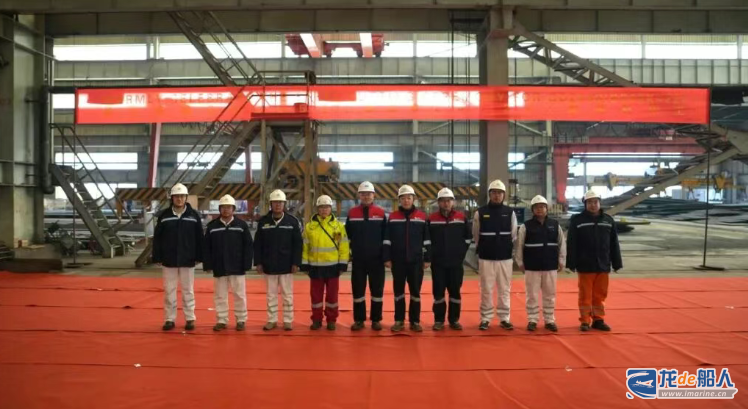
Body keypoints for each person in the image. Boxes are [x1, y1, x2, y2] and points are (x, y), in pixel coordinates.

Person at [567, 190, 623, 332]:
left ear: (599, 203)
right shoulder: (577, 220)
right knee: (585, 295)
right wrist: (571, 263)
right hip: (585, 264)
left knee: (600, 294)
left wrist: (617, 263)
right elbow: (572, 243)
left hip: (603, 264)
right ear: (585, 204)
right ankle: (585, 321)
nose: (593, 205)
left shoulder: (608, 220)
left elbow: (614, 243)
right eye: (590, 202)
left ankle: (598, 320)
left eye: (595, 202)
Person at [152, 183, 203, 331]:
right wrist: (157, 256)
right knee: (169, 290)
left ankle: (190, 318)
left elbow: (199, 238)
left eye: (182, 196)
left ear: (186, 197)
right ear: (172, 198)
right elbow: (158, 238)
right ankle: (169, 319)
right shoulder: (164, 216)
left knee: (188, 290)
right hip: (169, 259)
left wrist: (199, 256)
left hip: (188, 259)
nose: (179, 199)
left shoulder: (194, 216)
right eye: (176, 196)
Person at [384, 185, 431, 332]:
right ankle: (399, 321)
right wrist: (387, 258)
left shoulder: (422, 217)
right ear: (399, 200)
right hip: (398, 261)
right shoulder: (392, 217)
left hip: (416, 262)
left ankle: (414, 321)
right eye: (403, 198)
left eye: (409, 198)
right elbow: (387, 240)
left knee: (415, 292)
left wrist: (427, 258)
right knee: (398, 292)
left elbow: (426, 240)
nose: (406, 200)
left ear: (413, 199)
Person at [514, 195, 565, 333]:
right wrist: (520, 262)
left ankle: (549, 320)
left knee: (550, 294)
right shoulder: (525, 226)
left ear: (547, 209)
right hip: (532, 266)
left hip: (550, 265)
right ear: (532, 209)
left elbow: (562, 244)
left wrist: (561, 261)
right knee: (532, 295)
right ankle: (532, 319)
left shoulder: (555, 225)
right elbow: (519, 245)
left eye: (542, 207)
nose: (539, 209)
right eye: (536, 207)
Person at [253, 189, 302, 331]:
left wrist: (296, 263)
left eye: (280, 202)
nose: (278, 205)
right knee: (271, 295)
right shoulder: (263, 222)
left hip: (287, 265)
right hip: (269, 265)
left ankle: (288, 320)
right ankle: (272, 320)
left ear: (284, 204)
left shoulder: (292, 222)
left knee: (287, 295)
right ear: (271, 204)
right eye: (275, 202)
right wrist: (258, 262)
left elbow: (298, 244)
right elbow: (258, 244)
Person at [203, 195, 253, 332]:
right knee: (220, 296)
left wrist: (247, 264)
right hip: (219, 266)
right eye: (223, 207)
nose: (226, 209)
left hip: (238, 266)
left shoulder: (241, 226)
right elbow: (206, 247)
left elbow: (248, 246)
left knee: (239, 295)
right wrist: (208, 264)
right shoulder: (212, 226)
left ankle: (241, 320)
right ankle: (221, 320)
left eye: (229, 207)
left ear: (233, 209)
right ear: (219, 209)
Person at [473, 179, 517, 331]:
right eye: (494, 193)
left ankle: (504, 318)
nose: (497, 195)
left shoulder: (510, 212)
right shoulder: (480, 212)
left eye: (499, 193)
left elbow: (514, 235)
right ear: (489, 194)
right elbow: (476, 234)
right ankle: (485, 318)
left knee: (504, 289)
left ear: (504, 195)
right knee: (486, 289)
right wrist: (484, 247)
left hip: (505, 258)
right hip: (486, 257)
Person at [301, 195, 349, 331]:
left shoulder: (337, 227)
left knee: (332, 297)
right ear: (317, 209)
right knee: (316, 297)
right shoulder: (310, 227)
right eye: (321, 207)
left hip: (333, 267)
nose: (324, 210)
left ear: (330, 208)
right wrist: (304, 264)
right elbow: (305, 247)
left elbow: (342, 246)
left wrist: (342, 264)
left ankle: (331, 320)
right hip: (315, 268)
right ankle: (316, 319)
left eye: (326, 207)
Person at [345, 181, 387, 331]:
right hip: (358, 260)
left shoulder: (381, 213)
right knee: (358, 291)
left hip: (377, 260)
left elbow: (386, 237)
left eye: (369, 194)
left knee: (377, 291)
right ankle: (359, 320)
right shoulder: (352, 213)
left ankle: (376, 320)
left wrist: (385, 257)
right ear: (359, 196)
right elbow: (347, 236)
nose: (366, 196)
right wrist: (348, 255)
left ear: (373, 195)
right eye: (363, 194)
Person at [428, 188, 471, 331]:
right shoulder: (431, 219)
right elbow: (427, 240)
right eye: (443, 201)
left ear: (453, 202)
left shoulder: (461, 218)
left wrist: (460, 253)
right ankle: (439, 320)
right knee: (438, 293)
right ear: (438, 202)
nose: (446, 203)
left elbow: (468, 238)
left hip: (455, 264)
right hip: (438, 264)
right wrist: (432, 256)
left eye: (448, 201)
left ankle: (454, 320)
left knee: (455, 293)